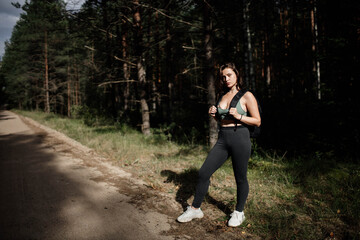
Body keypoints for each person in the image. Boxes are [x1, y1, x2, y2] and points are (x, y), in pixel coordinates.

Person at [177, 62, 261, 227]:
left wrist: (239, 116)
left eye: (229, 75)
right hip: (223, 139)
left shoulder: (247, 95)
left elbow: (257, 121)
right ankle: (195, 209)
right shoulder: (222, 96)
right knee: (203, 173)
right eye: (223, 76)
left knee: (240, 177)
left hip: (240, 138)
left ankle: (239, 212)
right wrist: (214, 115)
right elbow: (222, 120)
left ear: (237, 75)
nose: (226, 79)